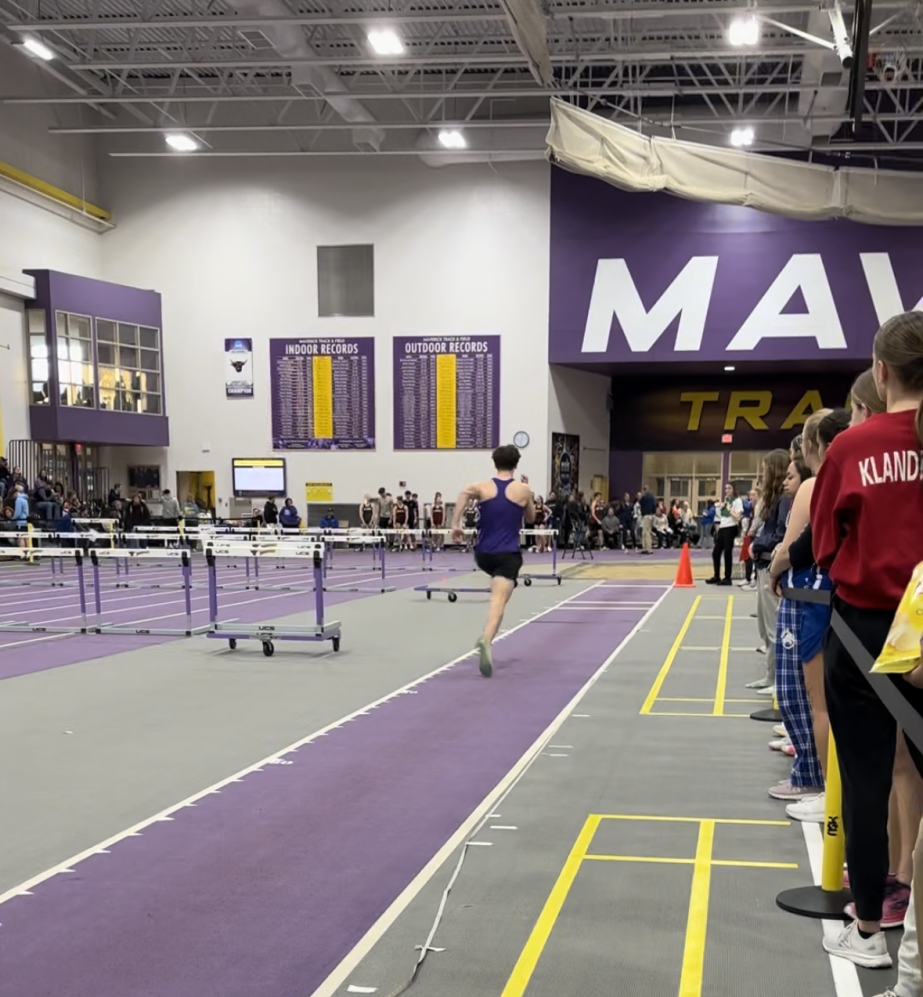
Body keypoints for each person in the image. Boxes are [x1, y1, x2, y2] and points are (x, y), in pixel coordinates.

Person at [813, 313, 923, 969]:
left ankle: (866, 931)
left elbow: (825, 546)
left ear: (879, 373)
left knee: (863, 779)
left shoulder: (852, 447)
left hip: (865, 632)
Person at [769, 408, 851, 823]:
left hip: (813, 597)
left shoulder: (819, 485)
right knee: (823, 702)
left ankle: (822, 785)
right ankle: (825, 784)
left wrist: (774, 569)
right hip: (829, 597)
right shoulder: (834, 482)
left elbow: (796, 545)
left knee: (815, 702)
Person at [451, 445, 535, 678]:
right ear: (516, 464)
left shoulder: (481, 486)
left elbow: (464, 493)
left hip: (484, 555)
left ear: (494, 463)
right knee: (498, 602)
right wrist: (528, 491)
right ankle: (486, 639)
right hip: (508, 554)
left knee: (497, 594)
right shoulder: (523, 489)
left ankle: (486, 638)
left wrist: (455, 524)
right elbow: (531, 518)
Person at [748, 450, 792, 694]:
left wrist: (759, 544)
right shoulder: (773, 498)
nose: (762, 475)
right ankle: (770, 675)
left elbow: (780, 535)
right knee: (765, 625)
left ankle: (775, 678)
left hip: (770, 564)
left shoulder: (783, 500)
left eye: (765, 470)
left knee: (774, 625)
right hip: (763, 563)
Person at [706, 483, 743, 586]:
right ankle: (716, 576)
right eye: (726, 488)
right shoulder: (727, 499)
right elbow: (723, 515)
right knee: (716, 552)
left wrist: (728, 508)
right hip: (723, 527)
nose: (727, 490)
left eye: (729, 488)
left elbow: (738, 517)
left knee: (727, 553)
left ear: (734, 489)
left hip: (731, 528)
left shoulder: (737, 501)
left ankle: (727, 578)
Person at [639, 485, 656, 554]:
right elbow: (654, 506)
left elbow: (640, 503)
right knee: (645, 532)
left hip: (646, 516)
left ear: (644, 490)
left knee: (646, 532)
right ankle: (645, 547)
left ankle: (648, 548)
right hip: (651, 515)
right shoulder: (652, 497)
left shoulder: (644, 497)